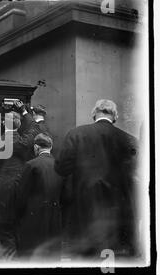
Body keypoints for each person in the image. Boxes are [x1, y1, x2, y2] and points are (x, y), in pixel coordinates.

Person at [55, 99, 138, 258]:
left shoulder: (76, 134)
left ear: (94, 114)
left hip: (84, 208)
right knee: (115, 260)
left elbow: (61, 169)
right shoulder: (129, 140)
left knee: (86, 258)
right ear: (115, 116)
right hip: (118, 212)